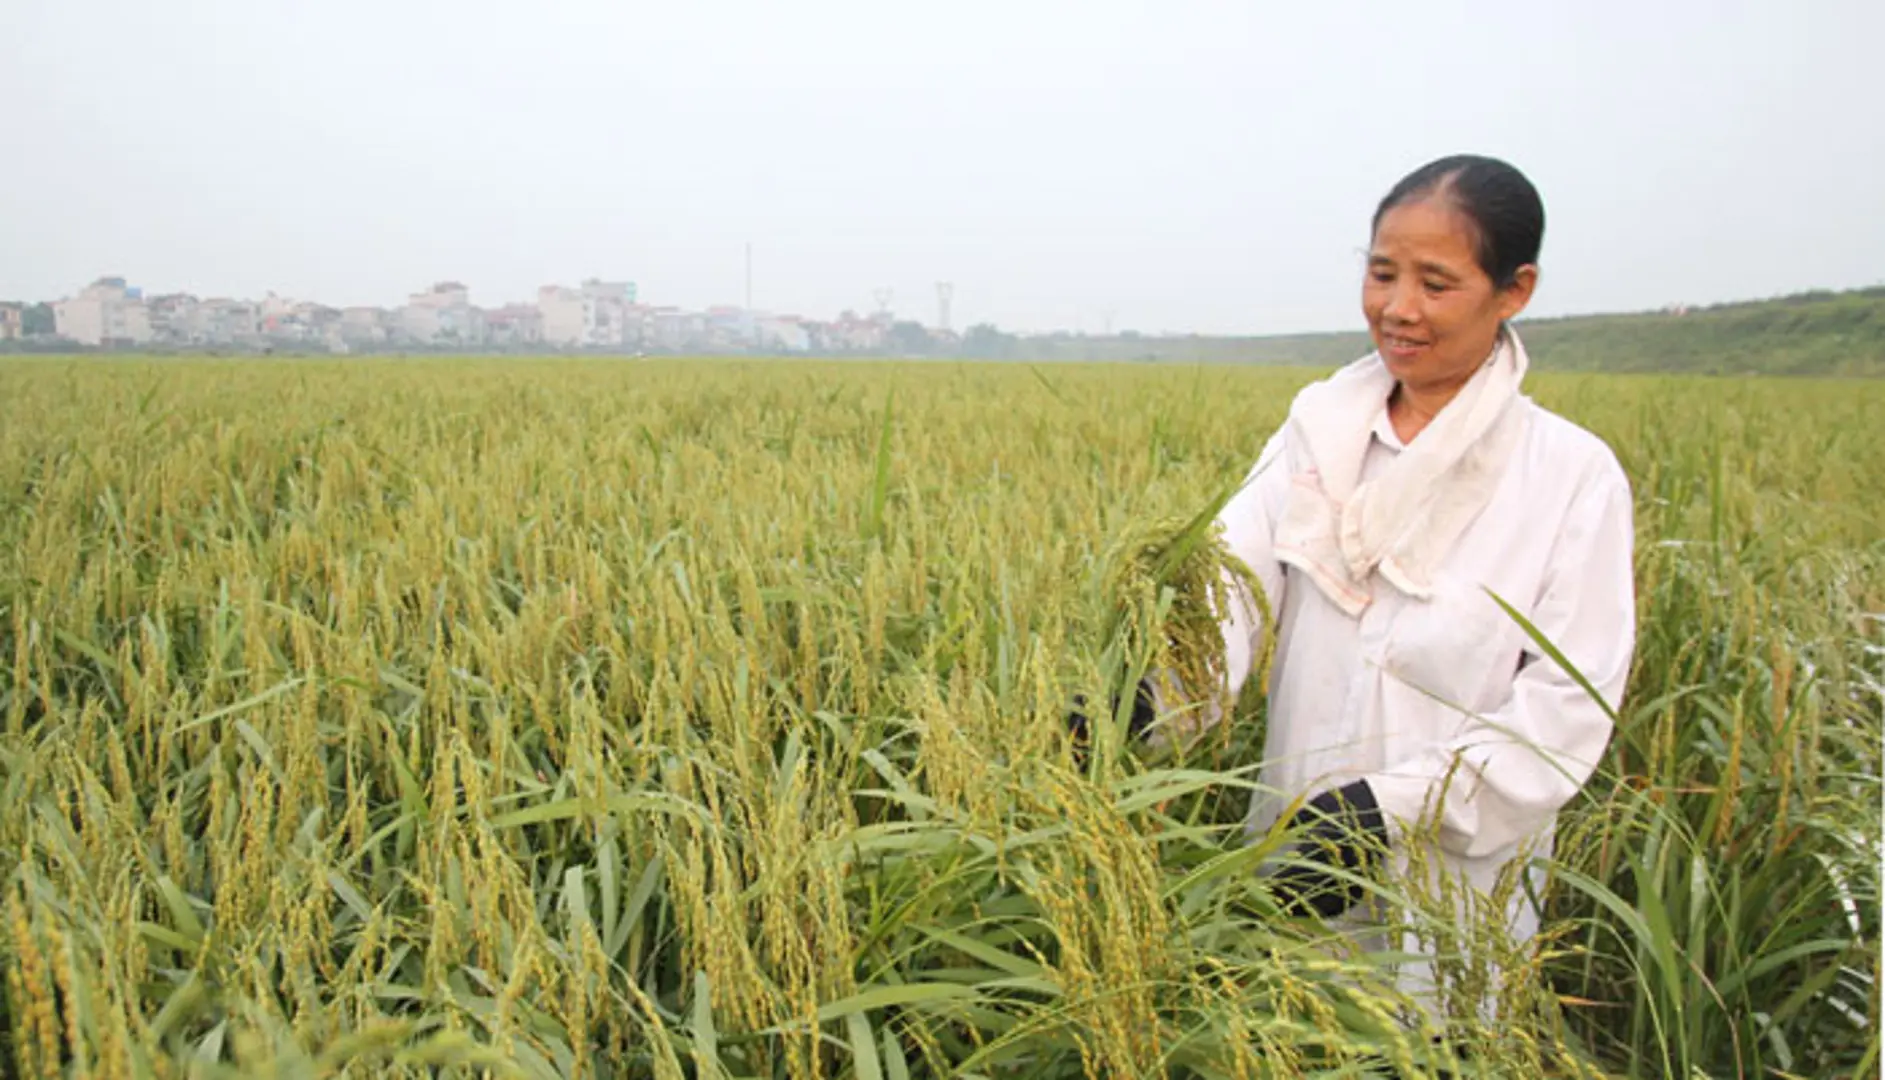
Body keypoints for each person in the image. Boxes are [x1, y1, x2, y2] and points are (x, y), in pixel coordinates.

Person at [1161, 154, 1636, 1002]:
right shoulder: (1318, 430)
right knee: (1285, 1032)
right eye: (1381, 273)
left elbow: (1563, 709)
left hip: (1454, 893)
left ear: (1513, 290)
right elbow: (1228, 586)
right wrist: (1148, 692)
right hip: (1290, 857)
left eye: (1435, 282)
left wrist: (1385, 811)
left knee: (1429, 1040)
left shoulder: (1567, 476)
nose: (1397, 308)